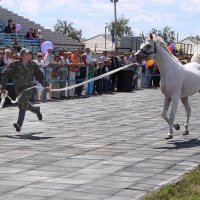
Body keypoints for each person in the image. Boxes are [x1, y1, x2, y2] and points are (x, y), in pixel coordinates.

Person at [1, 48, 49, 132]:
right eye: (27, 54)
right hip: (18, 89)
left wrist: (46, 85)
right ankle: (36, 110)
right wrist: (3, 88)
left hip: (29, 88)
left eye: (29, 54)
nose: (29, 56)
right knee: (25, 104)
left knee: (23, 104)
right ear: (22, 56)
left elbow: (39, 75)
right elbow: (4, 74)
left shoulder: (33, 65)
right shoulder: (15, 65)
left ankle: (19, 124)